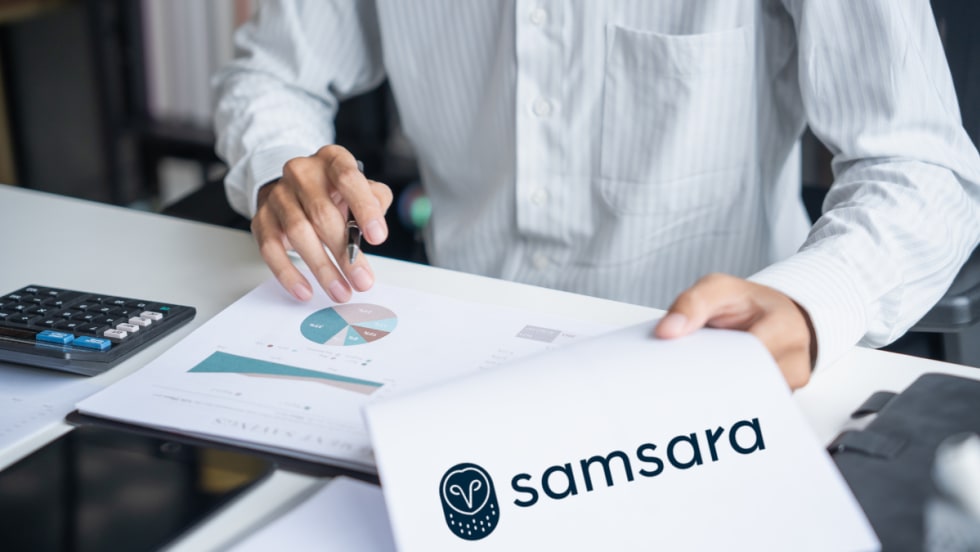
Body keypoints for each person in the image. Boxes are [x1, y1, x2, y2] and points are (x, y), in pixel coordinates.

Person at [214, 1, 980, 390]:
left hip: (712, 372)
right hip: (446, 362)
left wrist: (815, 302)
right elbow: (272, 73)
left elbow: (923, 167)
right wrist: (286, 167)